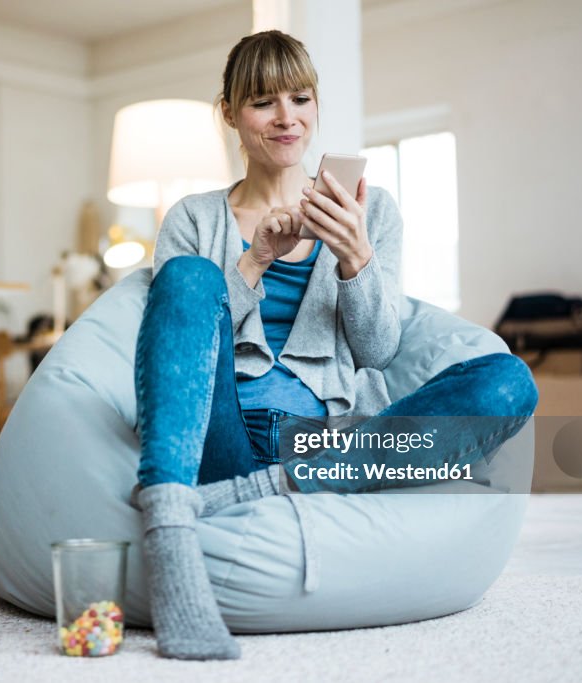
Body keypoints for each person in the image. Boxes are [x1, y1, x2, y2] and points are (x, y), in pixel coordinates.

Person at [130, 30, 538, 661]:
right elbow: (181, 338)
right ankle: (168, 528)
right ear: (232, 115)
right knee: (188, 277)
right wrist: (255, 261)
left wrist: (355, 256)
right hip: (224, 433)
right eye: (264, 101)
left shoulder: (372, 214)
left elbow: (377, 351)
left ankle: (256, 495)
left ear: (316, 106)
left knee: (509, 382)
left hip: (333, 442)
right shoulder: (194, 217)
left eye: (300, 98)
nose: (286, 117)